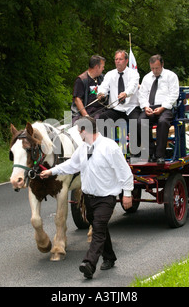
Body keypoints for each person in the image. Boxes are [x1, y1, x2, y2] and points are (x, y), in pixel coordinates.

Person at [39, 116, 133, 279]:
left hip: (106, 197)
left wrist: (127, 193)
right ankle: (109, 257)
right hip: (89, 198)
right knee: (99, 226)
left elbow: (125, 172)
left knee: (97, 228)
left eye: (78, 131)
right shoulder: (84, 148)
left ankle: (89, 264)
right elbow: (71, 165)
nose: (78, 135)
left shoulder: (109, 147)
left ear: (85, 130)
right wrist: (51, 171)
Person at [137, 54, 179, 164]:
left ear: (162, 65)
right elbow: (142, 95)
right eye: (152, 68)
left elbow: (174, 95)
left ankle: (160, 155)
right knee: (141, 122)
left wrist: (162, 107)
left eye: (157, 68)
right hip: (150, 107)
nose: (155, 71)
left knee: (163, 121)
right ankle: (151, 153)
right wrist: (146, 107)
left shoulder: (171, 76)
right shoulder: (147, 78)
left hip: (165, 107)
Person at [96, 50, 142, 134]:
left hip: (131, 108)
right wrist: (101, 93)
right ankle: (106, 144)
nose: (117, 61)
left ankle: (136, 146)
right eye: (116, 59)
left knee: (137, 123)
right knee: (103, 118)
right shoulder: (110, 74)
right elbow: (104, 86)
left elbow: (133, 86)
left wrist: (125, 93)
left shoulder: (134, 74)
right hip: (116, 109)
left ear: (126, 61)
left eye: (120, 59)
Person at [71, 55, 107, 124]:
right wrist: (86, 116)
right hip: (83, 112)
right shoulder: (81, 79)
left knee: (99, 121)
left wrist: (103, 96)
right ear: (97, 67)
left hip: (99, 112)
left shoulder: (103, 78)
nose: (103, 69)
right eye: (102, 67)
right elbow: (77, 100)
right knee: (75, 128)